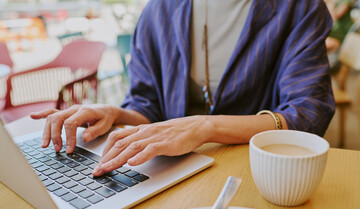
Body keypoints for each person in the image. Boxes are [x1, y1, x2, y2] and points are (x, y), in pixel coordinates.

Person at [30, 0, 335, 177]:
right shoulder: (158, 10)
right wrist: (114, 112)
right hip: (167, 173)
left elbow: (308, 114)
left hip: (255, 174)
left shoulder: (300, 8)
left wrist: (206, 127)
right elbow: (147, 106)